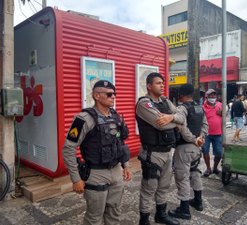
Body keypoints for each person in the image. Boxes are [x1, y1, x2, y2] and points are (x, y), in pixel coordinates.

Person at [62, 80, 132, 225]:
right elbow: (68, 148)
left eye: (114, 94)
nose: (113, 97)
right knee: (94, 217)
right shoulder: (83, 119)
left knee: (114, 213)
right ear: (96, 96)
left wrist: (126, 165)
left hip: (116, 171)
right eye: (109, 94)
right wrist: (76, 179)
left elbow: (119, 142)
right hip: (96, 173)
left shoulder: (115, 116)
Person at [136, 72, 185, 225]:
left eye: (162, 83)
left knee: (164, 186)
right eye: (158, 83)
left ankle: (161, 215)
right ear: (149, 86)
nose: (162, 85)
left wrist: (171, 117)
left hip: (167, 152)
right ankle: (144, 220)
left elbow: (182, 118)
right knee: (149, 188)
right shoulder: (144, 103)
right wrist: (175, 121)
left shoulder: (165, 101)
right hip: (152, 153)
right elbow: (159, 123)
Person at [168, 84, 208, 220]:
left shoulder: (182, 108)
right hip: (197, 148)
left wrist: (192, 139)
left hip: (184, 148)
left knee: (182, 177)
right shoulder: (199, 107)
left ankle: (184, 210)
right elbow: (205, 125)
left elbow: (181, 127)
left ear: (180, 94)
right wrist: (200, 139)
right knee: (195, 173)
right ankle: (198, 201)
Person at [201, 89, 222, 177]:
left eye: (214, 96)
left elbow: (226, 115)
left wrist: (223, 113)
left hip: (218, 133)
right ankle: (208, 168)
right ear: (207, 97)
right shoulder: (202, 107)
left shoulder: (220, 105)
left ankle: (215, 168)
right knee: (205, 151)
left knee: (219, 152)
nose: (213, 97)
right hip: (206, 134)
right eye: (210, 96)